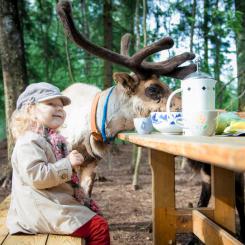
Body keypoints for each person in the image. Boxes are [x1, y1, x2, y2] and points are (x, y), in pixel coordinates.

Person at [6, 82, 110, 245]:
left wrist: (71, 166)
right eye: (50, 104)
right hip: (38, 209)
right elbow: (37, 176)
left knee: (95, 220)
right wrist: (67, 164)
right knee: (98, 227)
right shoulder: (29, 141)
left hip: (48, 202)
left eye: (61, 106)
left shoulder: (52, 140)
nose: (59, 109)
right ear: (30, 109)